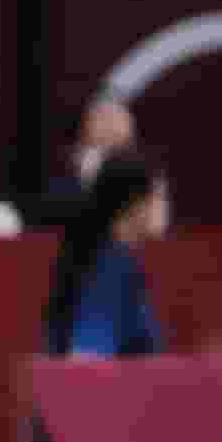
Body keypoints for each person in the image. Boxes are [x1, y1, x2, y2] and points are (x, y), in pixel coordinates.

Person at [46, 152, 170, 359]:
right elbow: (85, 361)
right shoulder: (109, 267)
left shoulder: (121, 262)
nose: (165, 207)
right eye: (160, 197)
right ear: (134, 205)